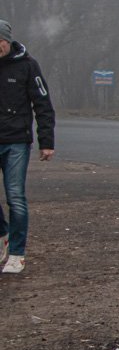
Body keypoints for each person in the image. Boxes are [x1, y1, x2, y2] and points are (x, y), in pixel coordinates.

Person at [0, 19, 55, 275]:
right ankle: (3, 234)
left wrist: (47, 142)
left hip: (16, 142)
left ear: (8, 41)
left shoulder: (27, 66)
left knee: (15, 197)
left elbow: (43, 104)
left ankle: (17, 253)